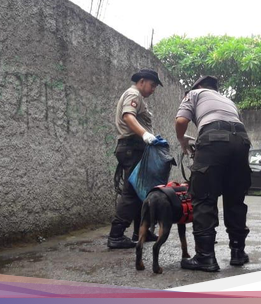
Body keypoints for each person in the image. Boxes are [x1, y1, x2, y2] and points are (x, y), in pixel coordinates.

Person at [175, 76, 251, 272]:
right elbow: (233, 126)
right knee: (235, 199)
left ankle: (205, 257)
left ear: (199, 86)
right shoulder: (228, 101)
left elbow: (181, 120)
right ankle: (238, 253)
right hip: (241, 140)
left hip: (213, 139)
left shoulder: (194, 93)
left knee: (203, 198)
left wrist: (182, 140)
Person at [107, 69, 163, 249]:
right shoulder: (134, 93)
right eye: (152, 84)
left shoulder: (138, 97)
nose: (153, 89)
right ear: (141, 81)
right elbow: (128, 116)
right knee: (131, 192)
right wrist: (145, 135)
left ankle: (142, 232)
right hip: (132, 146)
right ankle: (116, 235)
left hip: (136, 148)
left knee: (142, 192)